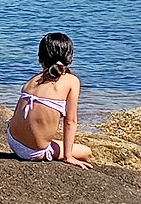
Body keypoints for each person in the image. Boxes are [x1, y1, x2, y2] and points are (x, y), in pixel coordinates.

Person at [8, 32, 93, 167]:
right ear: (69, 57)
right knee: (86, 152)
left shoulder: (34, 79)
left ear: (40, 58)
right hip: (34, 152)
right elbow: (70, 121)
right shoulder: (72, 81)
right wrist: (68, 156)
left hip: (12, 140)